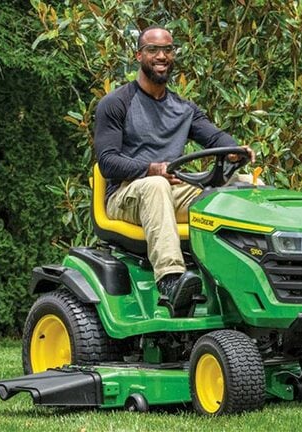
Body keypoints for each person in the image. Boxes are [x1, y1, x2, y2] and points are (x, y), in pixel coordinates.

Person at [93, 25, 254, 317]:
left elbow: (216, 138)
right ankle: (170, 279)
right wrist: (150, 168)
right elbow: (107, 161)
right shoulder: (116, 103)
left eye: (168, 49)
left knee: (244, 185)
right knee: (156, 186)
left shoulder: (184, 109)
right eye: (153, 49)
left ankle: (257, 277)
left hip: (173, 192)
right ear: (139, 54)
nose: (162, 56)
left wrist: (235, 149)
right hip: (126, 195)